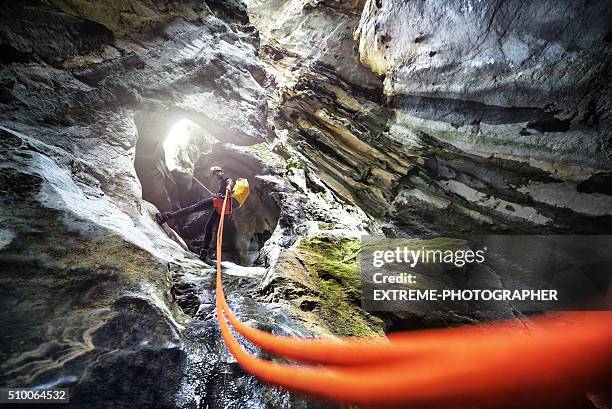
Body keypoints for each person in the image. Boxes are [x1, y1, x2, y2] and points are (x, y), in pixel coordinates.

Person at [155, 166, 236, 260]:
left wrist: (228, 188)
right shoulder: (222, 182)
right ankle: (204, 252)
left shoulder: (225, 177)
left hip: (219, 203)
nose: (216, 175)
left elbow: (229, 182)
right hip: (221, 205)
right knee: (209, 226)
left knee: (192, 208)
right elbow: (222, 192)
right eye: (214, 174)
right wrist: (217, 194)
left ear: (220, 171)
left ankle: (165, 217)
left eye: (216, 173)